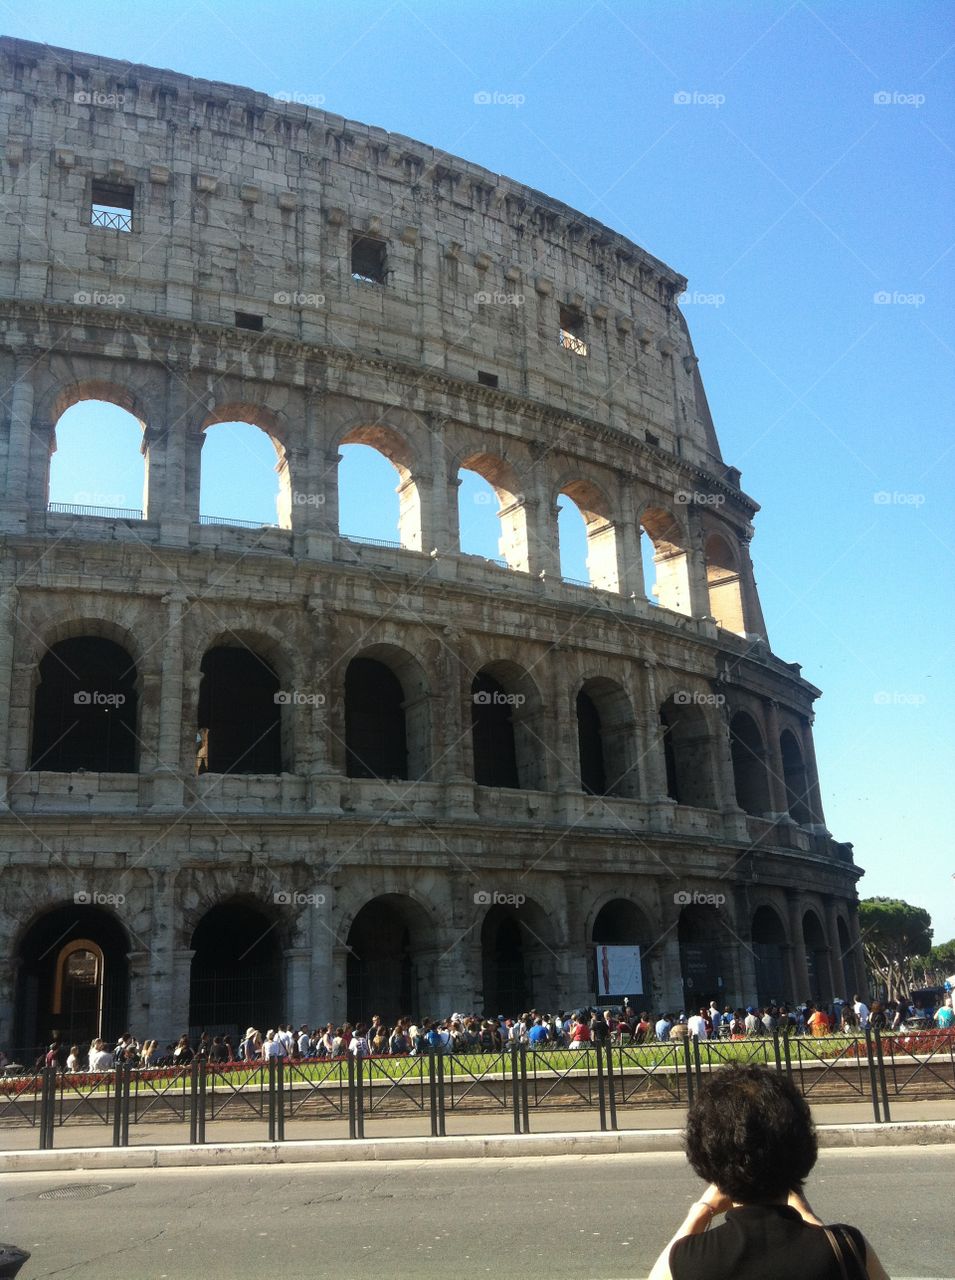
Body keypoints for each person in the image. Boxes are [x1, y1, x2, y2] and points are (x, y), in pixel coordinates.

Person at [647, 1063, 889, 1279]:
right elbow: (838, 1258)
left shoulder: (689, 1261)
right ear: (801, 1143)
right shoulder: (846, 1248)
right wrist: (809, 1217)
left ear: (705, 1154)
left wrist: (700, 1212)